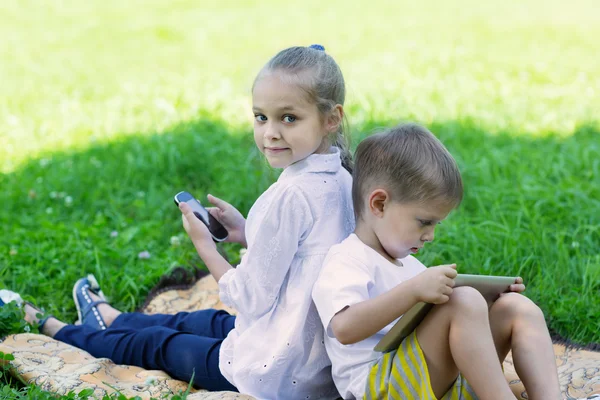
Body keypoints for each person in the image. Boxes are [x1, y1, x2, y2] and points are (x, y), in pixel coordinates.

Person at [17, 44, 355, 400]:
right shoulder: (344, 179)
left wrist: (204, 245)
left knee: (158, 344)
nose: (270, 132)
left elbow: (250, 299)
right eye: (260, 117)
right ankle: (111, 318)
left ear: (331, 118)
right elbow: (303, 260)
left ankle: (55, 329)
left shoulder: (291, 195)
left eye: (288, 118)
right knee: (202, 322)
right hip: (308, 354)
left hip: (274, 371)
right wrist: (245, 233)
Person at [312, 123, 565, 400]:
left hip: (432, 382)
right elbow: (344, 328)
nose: (431, 235)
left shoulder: (409, 266)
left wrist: (491, 299)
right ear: (379, 204)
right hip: (381, 386)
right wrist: (414, 291)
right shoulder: (347, 259)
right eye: (424, 222)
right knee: (462, 301)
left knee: (516, 308)